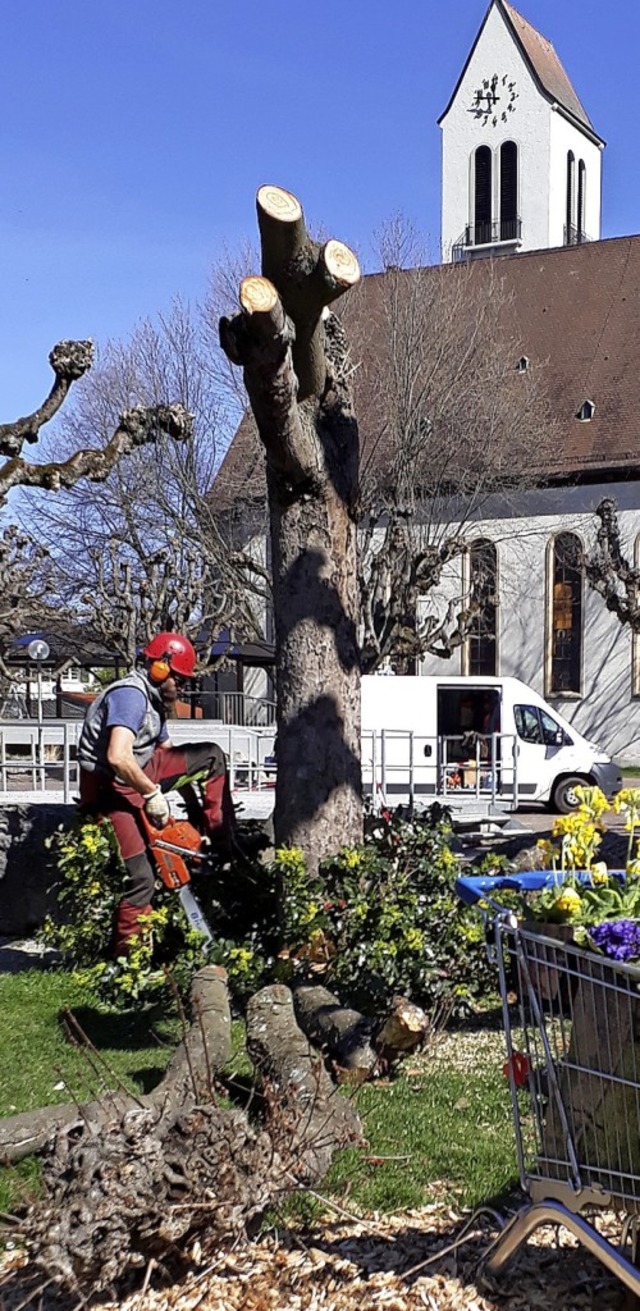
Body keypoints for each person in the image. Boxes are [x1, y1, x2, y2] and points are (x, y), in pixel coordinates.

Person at [77, 631, 235, 957]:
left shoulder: (155, 700)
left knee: (212, 756)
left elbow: (167, 753)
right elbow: (118, 757)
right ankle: (130, 963)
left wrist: (189, 812)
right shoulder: (131, 696)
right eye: (177, 677)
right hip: (111, 790)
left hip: (142, 774)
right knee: (141, 880)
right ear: (160, 667)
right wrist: (152, 794)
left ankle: (219, 840)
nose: (180, 685)